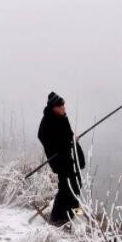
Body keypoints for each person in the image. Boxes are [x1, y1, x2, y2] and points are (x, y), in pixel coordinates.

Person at [37, 92, 85, 226]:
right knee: (66, 189)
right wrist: (65, 143)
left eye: (64, 106)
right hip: (60, 161)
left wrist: (73, 140)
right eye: (61, 107)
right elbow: (44, 137)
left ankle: (72, 216)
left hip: (70, 157)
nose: (64, 109)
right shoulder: (47, 121)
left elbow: (67, 135)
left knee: (76, 185)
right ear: (54, 107)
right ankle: (56, 220)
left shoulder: (62, 117)